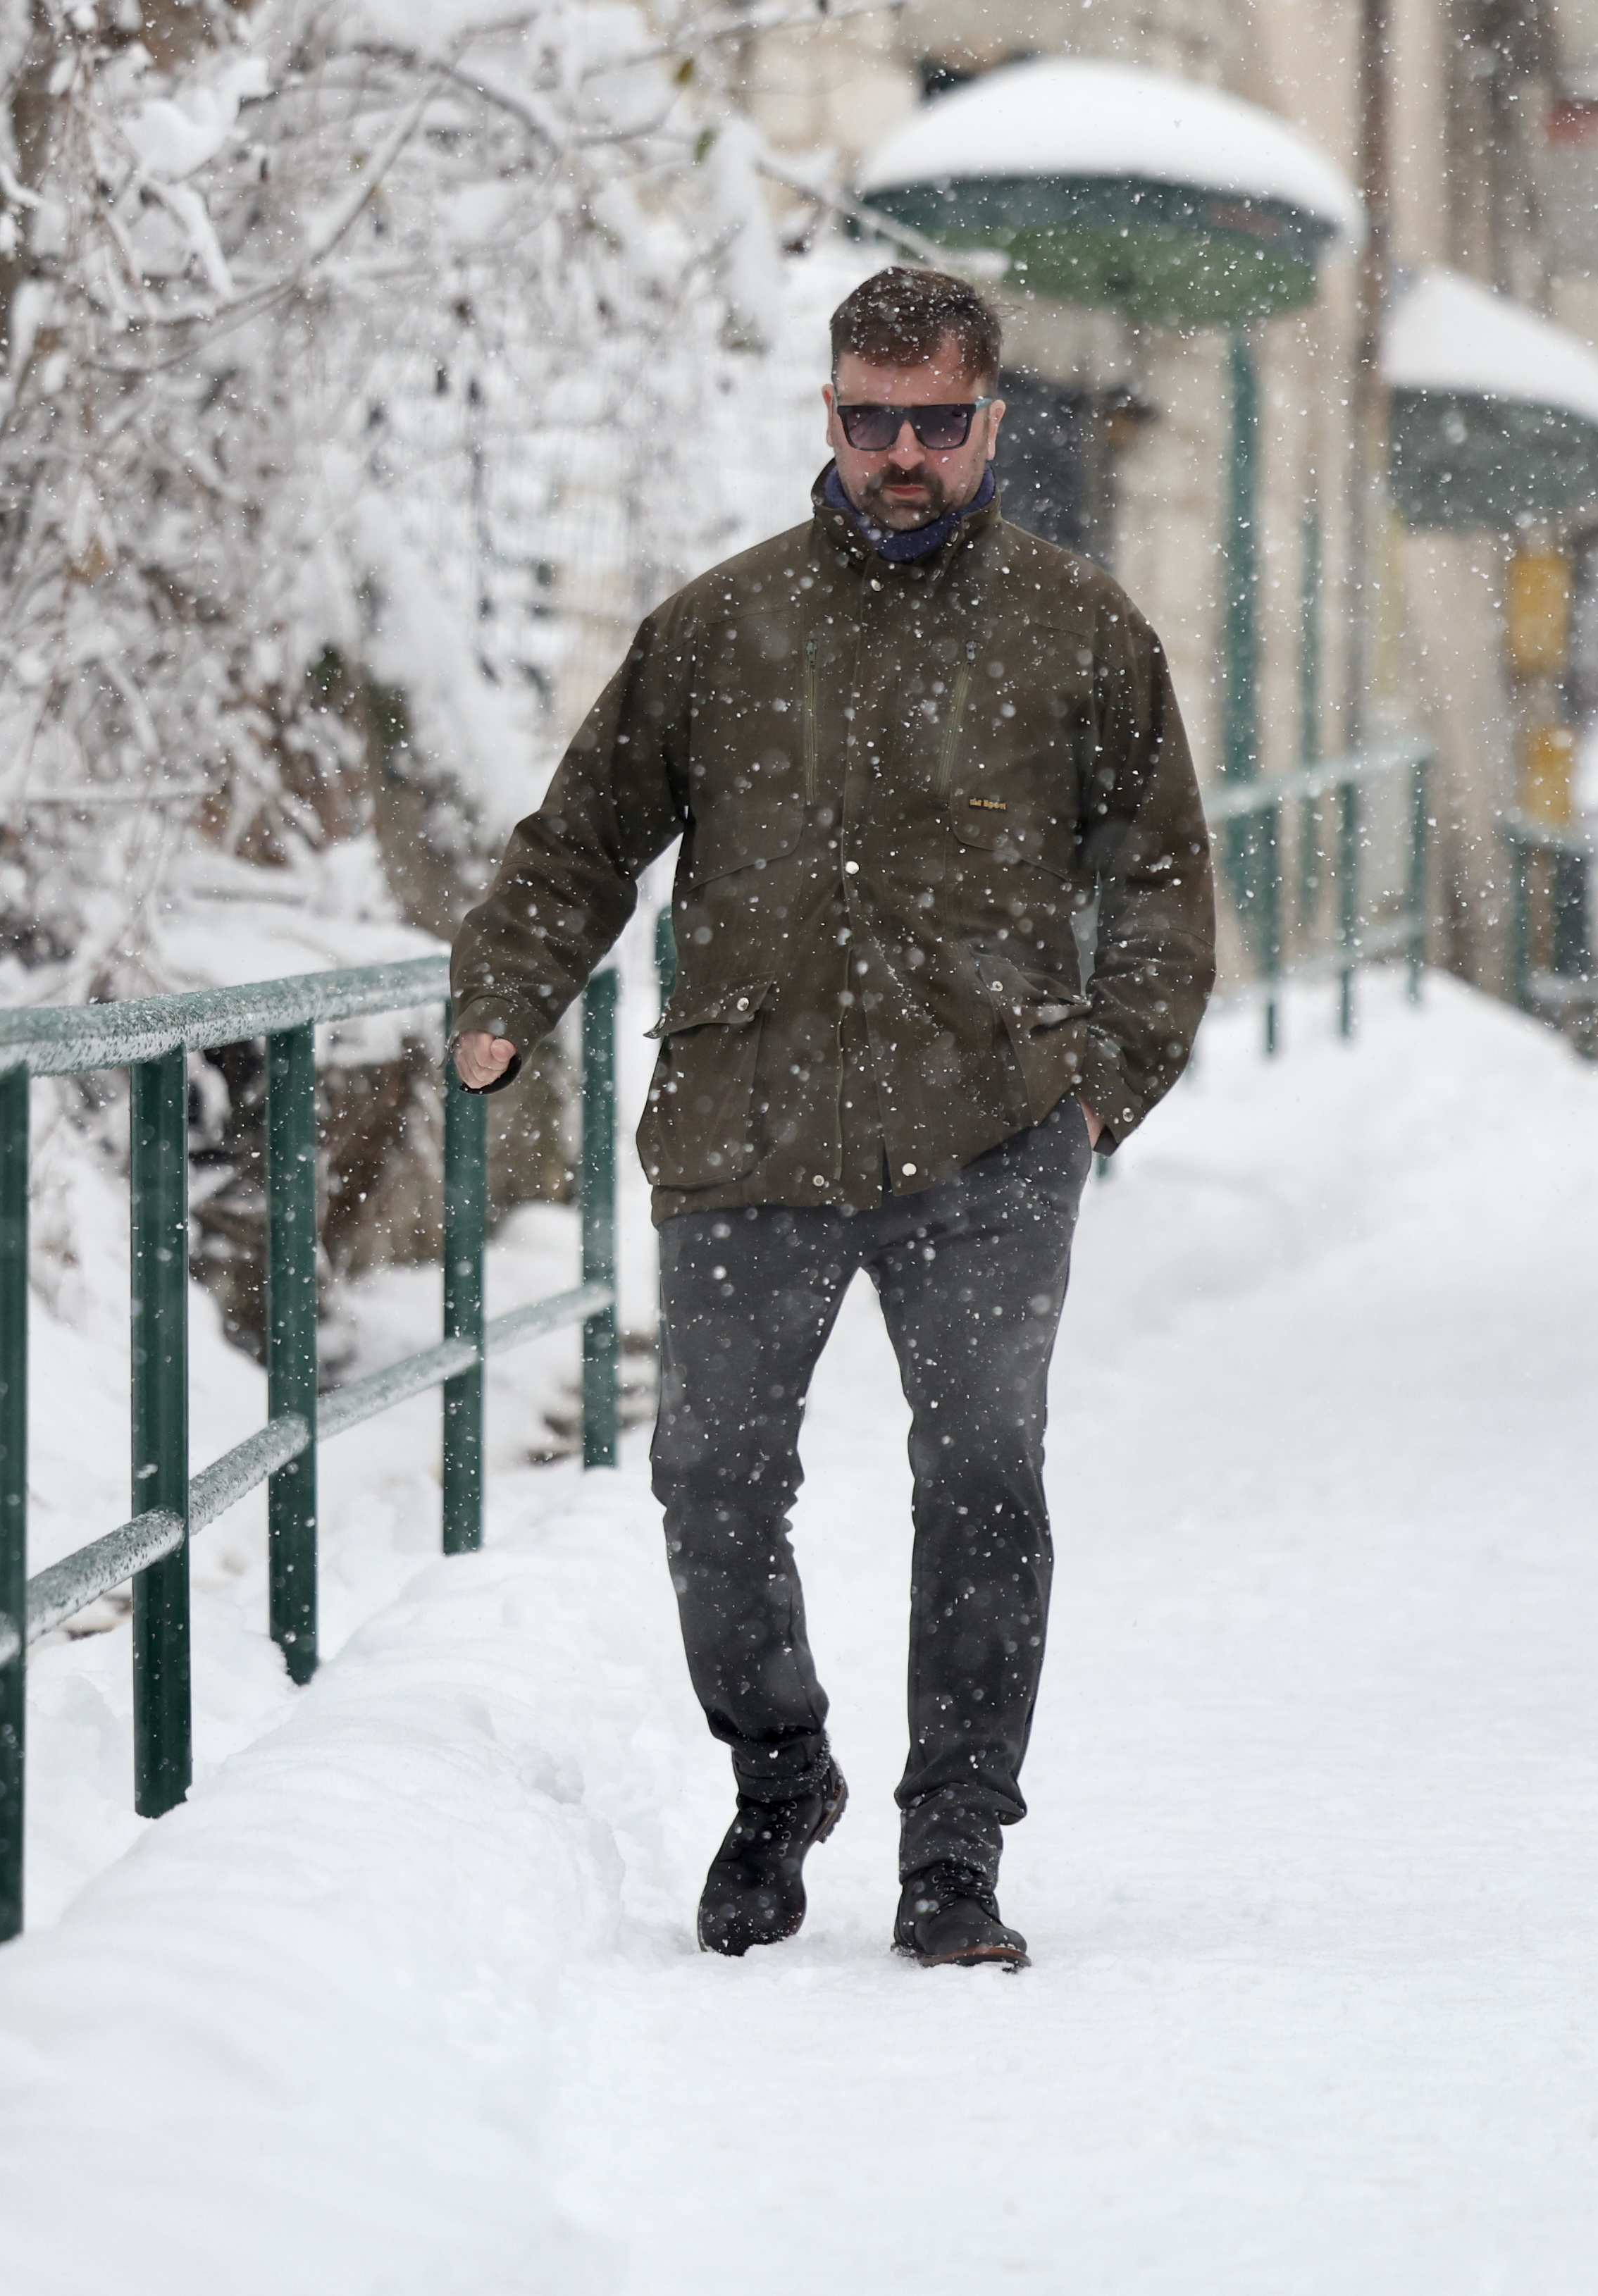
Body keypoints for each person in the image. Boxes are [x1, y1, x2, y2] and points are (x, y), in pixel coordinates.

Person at [444, 267, 1213, 1968]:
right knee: (710, 1477)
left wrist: (1110, 1073)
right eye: (872, 420)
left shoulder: (1078, 635)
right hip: (747, 1120)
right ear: (830, 418)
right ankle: (778, 1774)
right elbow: (583, 836)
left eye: (936, 422)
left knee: (985, 1478)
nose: (903, 455)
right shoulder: (723, 631)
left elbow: (1159, 866)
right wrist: (503, 989)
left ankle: (954, 1849)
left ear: (990, 422)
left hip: (997, 1128)